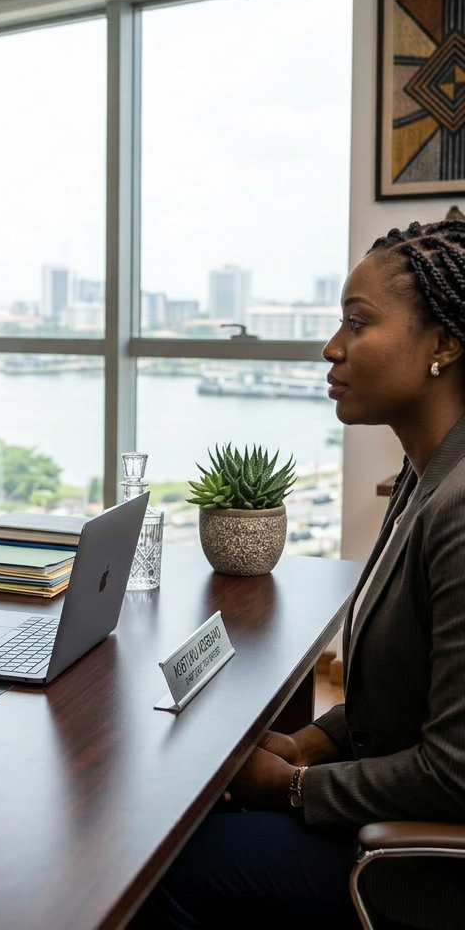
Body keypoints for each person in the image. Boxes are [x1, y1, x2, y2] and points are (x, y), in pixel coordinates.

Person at [132, 219, 465, 930]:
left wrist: (294, 788)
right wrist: (315, 740)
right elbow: (412, 696)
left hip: (424, 873)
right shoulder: (424, 480)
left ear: (444, 343)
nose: (332, 347)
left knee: (154, 872)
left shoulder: (462, 507)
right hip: (395, 817)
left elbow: (456, 770)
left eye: (357, 322)